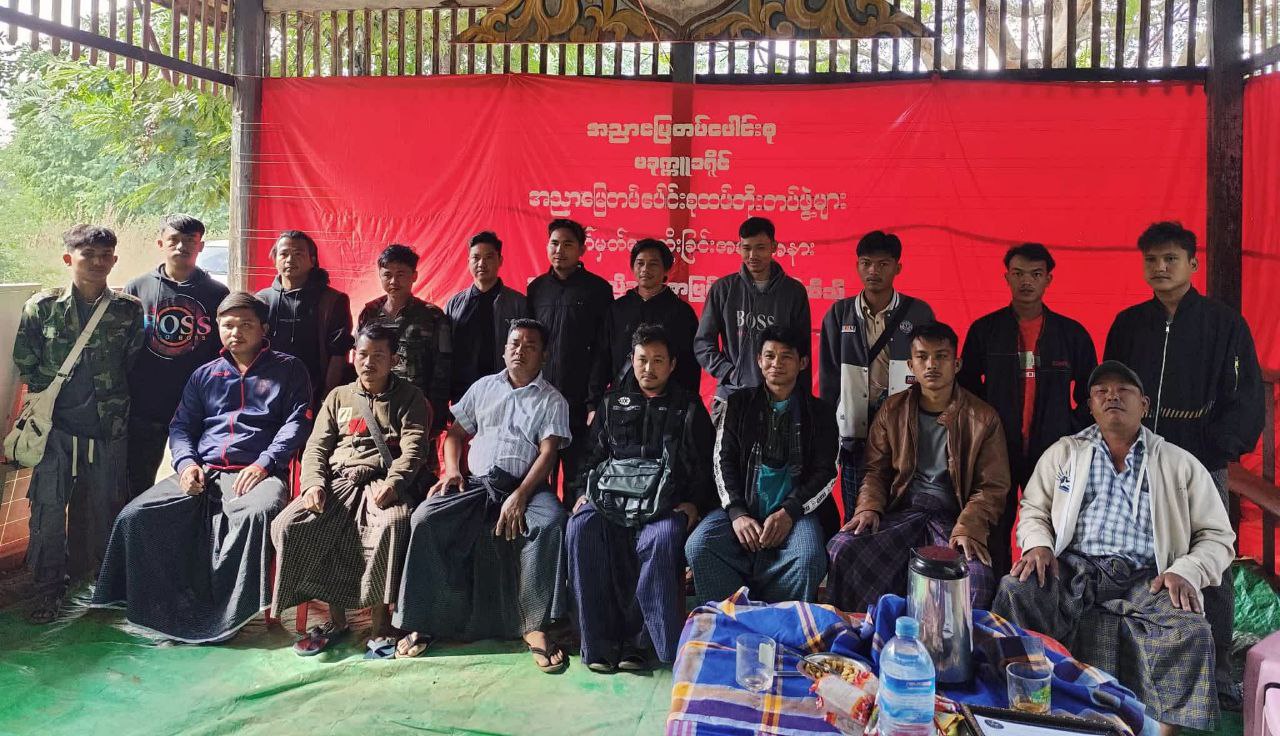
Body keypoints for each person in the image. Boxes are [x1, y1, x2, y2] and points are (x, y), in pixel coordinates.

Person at [992, 361, 1235, 734]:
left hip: (1148, 578)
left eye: (1124, 390)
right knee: (1016, 590)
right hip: (1075, 570)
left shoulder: (1178, 463)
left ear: (1144, 405)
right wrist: (1038, 545)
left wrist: (1186, 571)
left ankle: (1161, 732)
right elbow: (1034, 509)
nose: (1112, 397)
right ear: (1090, 406)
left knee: (1191, 629)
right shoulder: (1065, 453)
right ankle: (1022, 713)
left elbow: (1217, 535)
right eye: (1101, 392)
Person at [1103, 221, 1264, 710]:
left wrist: (1220, 445)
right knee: (1135, 554)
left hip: (1200, 457)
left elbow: (1246, 393)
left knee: (1210, 559)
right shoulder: (1129, 323)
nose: (1160, 267)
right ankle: (1140, 661)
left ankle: (1217, 672)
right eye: (1151, 260)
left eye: (1170, 259)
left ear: (1192, 264)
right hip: (1137, 455)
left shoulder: (1223, 323)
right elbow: (1109, 387)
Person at [91, 293, 313, 643]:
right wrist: (186, 465)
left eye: (246, 325)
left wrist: (265, 464)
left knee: (258, 513)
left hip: (258, 472)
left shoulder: (289, 370)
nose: (236, 332)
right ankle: (161, 607)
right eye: (228, 325)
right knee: (135, 515)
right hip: (205, 470)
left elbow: (297, 423)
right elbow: (181, 426)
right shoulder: (205, 375)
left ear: (264, 328)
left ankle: (229, 613)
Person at [393, 319, 572, 673]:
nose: (520, 351)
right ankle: (426, 621)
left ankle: (535, 626)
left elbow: (548, 453)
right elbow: (455, 434)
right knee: (425, 518)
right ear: (504, 350)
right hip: (477, 484)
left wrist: (520, 495)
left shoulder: (552, 399)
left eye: (530, 346)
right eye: (514, 344)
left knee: (551, 523)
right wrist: (453, 470)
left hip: (527, 486)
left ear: (544, 355)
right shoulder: (483, 388)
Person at [826, 322, 1010, 614]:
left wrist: (969, 527)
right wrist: (869, 508)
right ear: (911, 365)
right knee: (843, 549)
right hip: (903, 512)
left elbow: (992, 487)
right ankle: (862, 634)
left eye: (941, 356)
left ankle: (948, 643)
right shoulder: (893, 410)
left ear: (957, 364)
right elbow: (875, 471)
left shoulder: (983, 418)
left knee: (976, 579)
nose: (931, 365)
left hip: (952, 519)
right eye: (922, 357)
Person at [271, 324, 433, 655]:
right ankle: (336, 620)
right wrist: (313, 484)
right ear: (353, 356)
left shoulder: (410, 397)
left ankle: (381, 624)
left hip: (381, 481)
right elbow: (316, 447)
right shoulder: (338, 397)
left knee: (392, 524)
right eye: (362, 354)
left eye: (378, 356)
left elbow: (414, 449)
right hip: (338, 481)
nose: (368, 362)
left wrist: (394, 484)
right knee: (290, 524)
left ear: (394, 360)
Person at [13, 225, 144, 623]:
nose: (98, 262)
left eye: (106, 255)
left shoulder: (128, 310)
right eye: (89, 255)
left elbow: (132, 362)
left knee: (104, 509)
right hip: (53, 431)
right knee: (48, 512)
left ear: (115, 260)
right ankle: (47, 591)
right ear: (69, 258)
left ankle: (98, 588)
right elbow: (26, 361)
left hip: (107, 429)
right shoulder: (42, 307)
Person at [568, 324, 715, 673]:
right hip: (610, 501)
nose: (648, 368)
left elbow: (706, 464)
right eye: (642, 359)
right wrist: (581, 493)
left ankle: (641, 644)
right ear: (631, 360)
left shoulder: (688, 406)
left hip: (664, 505)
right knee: (581, 529)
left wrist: (695, 504)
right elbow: (589, 457)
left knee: (661, 540)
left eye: (658, 361)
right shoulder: (610, 403)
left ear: (673, 364)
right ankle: (599, 643)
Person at [958, 242, 1095, 577]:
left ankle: (1042, 597)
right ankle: (993, 596)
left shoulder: (1071, 334)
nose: (1026, 282)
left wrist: (1067, 428)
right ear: (1006, 277)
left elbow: (1092, 393)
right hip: (996, 451)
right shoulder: (985, 330)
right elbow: (965, 389)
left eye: (1035, 274)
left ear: (1048, 279)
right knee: (993, 529)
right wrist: (984, 432)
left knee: (1050, 529)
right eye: (1018, 274)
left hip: (1052, 451)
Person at [685, 325, 837, 604]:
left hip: (795, 514)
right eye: (769, 356)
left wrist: (789, 512)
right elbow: (722, 461)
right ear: (758, 360)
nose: (776, 363)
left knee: (809, 557)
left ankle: (781, 624)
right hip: (742, 507)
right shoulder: (738, 404)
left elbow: (826, 472)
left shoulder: (821, 413)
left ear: (803, 362)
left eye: (786, 356)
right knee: (700, 545)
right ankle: (732, 620)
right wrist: (737, 513)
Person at [819, 230, 934, 518]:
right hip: (855, 433)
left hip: (904, 433)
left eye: (883, 264)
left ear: (898, 268)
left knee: (902, 512)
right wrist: (829, 432)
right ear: (857, 265)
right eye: (866, 263)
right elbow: (829, 380)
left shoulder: (919, 313)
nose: (873, 271)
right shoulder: (839, 314)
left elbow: (931, 375)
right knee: (856, 514)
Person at [123, 214, 229, 497]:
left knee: (197, 478)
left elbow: (222, 350)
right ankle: (136, 523)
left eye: (190, 240)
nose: (181, 246)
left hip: (196, 403)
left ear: (201, 245)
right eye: (174, 240)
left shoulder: (218, 293)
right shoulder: (137, 288)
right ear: (160, 243)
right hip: (146, 402)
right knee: (136, 479)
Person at [526, 218, 614, 508]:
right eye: (554, 243)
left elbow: (602, 350)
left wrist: (593, 402)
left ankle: (574, 528)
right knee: (537, 475)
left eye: (568, 244)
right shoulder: (537, 289)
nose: (559, 250)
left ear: (582, 249)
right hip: (539, 399)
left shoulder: (598, 290)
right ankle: (543, 530)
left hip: (578, 401)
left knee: (577, 475)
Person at [695, 217, 811, 424]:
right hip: (732, 396)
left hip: (780, 399)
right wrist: (730, 372)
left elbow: (802, 351)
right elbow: (703, 344)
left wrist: (803, 400)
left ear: (774, 247)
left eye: (760, 248)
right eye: (746, 248)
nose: (752, 255)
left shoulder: (793, 292)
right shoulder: (723, 289)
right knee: (725, 447)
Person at [357, 243, 451, 436]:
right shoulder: (369, 313)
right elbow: (359, 360)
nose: (393, 281)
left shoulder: (432, 316)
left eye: (400, 274)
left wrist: (435, 415)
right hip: (376, 406)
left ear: (414, 276)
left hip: (417, 407)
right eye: (387, 275)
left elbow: (443, 369)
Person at [256, 230, 354, 410]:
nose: (290, 260)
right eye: (284, 254)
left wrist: (327, 396)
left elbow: (339, 353)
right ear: (275, 259)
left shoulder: (332, 300)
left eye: (298, 254)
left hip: (315, 394)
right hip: (268, 393)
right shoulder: (262, 300)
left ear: (313, 260)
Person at [445, 231, 529, 403]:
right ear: (468, 261)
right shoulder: (454, 304)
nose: (481, 263)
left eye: (489, 257)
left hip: (505, 393)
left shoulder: (518, 303)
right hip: (463, 395)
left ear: (500, 260)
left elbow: (527, 350)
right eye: (475, 258)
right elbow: (444, 351)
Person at [608, 239, 700, 393]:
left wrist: (689, 401)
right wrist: (595, 401)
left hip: (669, 400)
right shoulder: (617, 309)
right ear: (632, 267)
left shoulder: (682, 313)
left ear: (666, 269)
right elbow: (602, 358)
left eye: (653, 264)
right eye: (640, 263)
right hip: (622, 398)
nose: (645, 269)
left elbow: (690, 364)